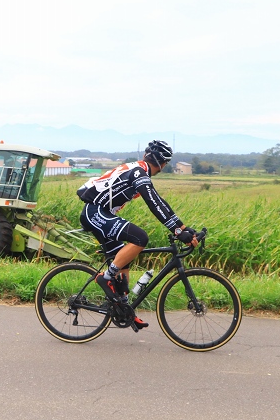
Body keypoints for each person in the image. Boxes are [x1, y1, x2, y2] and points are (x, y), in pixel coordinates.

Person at [76, 140, 198, 329]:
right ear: (162, 163)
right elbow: (153, 203)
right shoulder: (138, 173)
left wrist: (183, 227)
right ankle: (105, 278)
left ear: (146, 156)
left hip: (100, 213)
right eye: (166, 163)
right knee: (140, 238)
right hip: (95, 213)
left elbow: (159, 201)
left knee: (124, 261)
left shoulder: (139, 169)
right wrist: (178, 231)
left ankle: (124, 310)